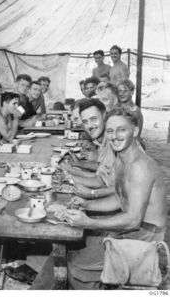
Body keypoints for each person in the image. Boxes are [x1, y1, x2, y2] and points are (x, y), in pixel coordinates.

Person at [65, 107, 167, 289]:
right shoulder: (121, 157)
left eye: (122, 130)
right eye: (111, 131)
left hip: (145, 237)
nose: (114, 136)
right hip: (133, 227)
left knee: (77, 267)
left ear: (135, 131)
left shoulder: (140, 168)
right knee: (73, 248)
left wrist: (89, 222)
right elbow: (120, 199)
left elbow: (133, 220)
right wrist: (87, 203)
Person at [60, 99, 116, 197]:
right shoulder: (102, 140)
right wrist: (78, 165)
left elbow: (104, 184)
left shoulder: (114, 141)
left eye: (94, 119)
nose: (89, 125)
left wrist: (70, 174)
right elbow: (101, 175)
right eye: (85, 121)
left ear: (104, 115)